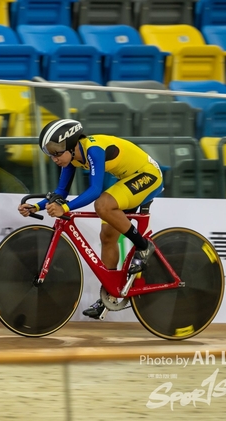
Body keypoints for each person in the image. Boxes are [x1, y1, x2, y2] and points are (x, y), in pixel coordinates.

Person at [18, 119, 164, 319]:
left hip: (148, 175)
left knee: (103, 204)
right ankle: (110, 294)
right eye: (50, 153)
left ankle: (144, 246)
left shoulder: (93, 150)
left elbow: (95, 190)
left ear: (71, 144)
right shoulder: (71, 158)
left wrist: (65, 208)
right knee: (107, 236)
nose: (54, 158)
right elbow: (61, 192)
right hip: (127, 179)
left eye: (57, 152)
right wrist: (36, 206)